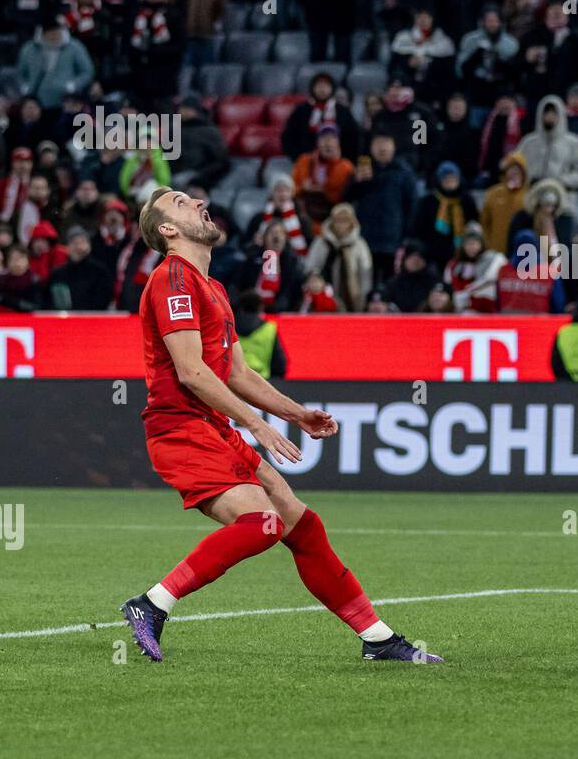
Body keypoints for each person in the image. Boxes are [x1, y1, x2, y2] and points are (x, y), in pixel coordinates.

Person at [121, 186, 440, 665]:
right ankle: (151, 603)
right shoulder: (171, 281)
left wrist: (294, 414)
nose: (199, 203)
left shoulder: (213, 287)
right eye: (182, 203)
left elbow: (236, 373)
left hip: (214, 428)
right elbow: (190, 371)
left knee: (302, 527)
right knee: (264, 524)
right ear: (167, 230)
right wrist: (257, 425)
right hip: (182, 429)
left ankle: (377, 639)